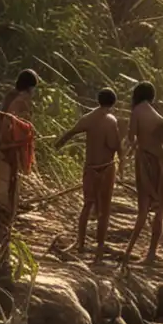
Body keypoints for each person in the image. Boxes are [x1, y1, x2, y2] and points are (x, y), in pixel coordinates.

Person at [59, 88, 122, 259]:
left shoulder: (88, 118)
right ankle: (100, 248)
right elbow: (114, 145)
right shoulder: (111, 120)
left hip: (90, 168)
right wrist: (122, 161)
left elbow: (70, 132)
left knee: (87, 205)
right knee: (104, 210)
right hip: (106, 167)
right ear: (113, 103)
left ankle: (81, 244)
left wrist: (57, 145)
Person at [122, 82, 163, 265]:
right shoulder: (161, 120)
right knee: (160, 211)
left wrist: (130, 149)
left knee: (142, 211)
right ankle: (151, 253)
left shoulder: (137, 111)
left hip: (145, 164)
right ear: (152, 97)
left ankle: (129, 251)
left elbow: (131, 138)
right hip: (160, 164)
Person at [0, 69, 38, 264]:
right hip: (5, 160)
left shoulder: (10, 99)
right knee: (6, 206)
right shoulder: (19, 102)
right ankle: (0, 252)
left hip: (3, 159)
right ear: (29, 88)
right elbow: (11, 130)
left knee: (4, 205)